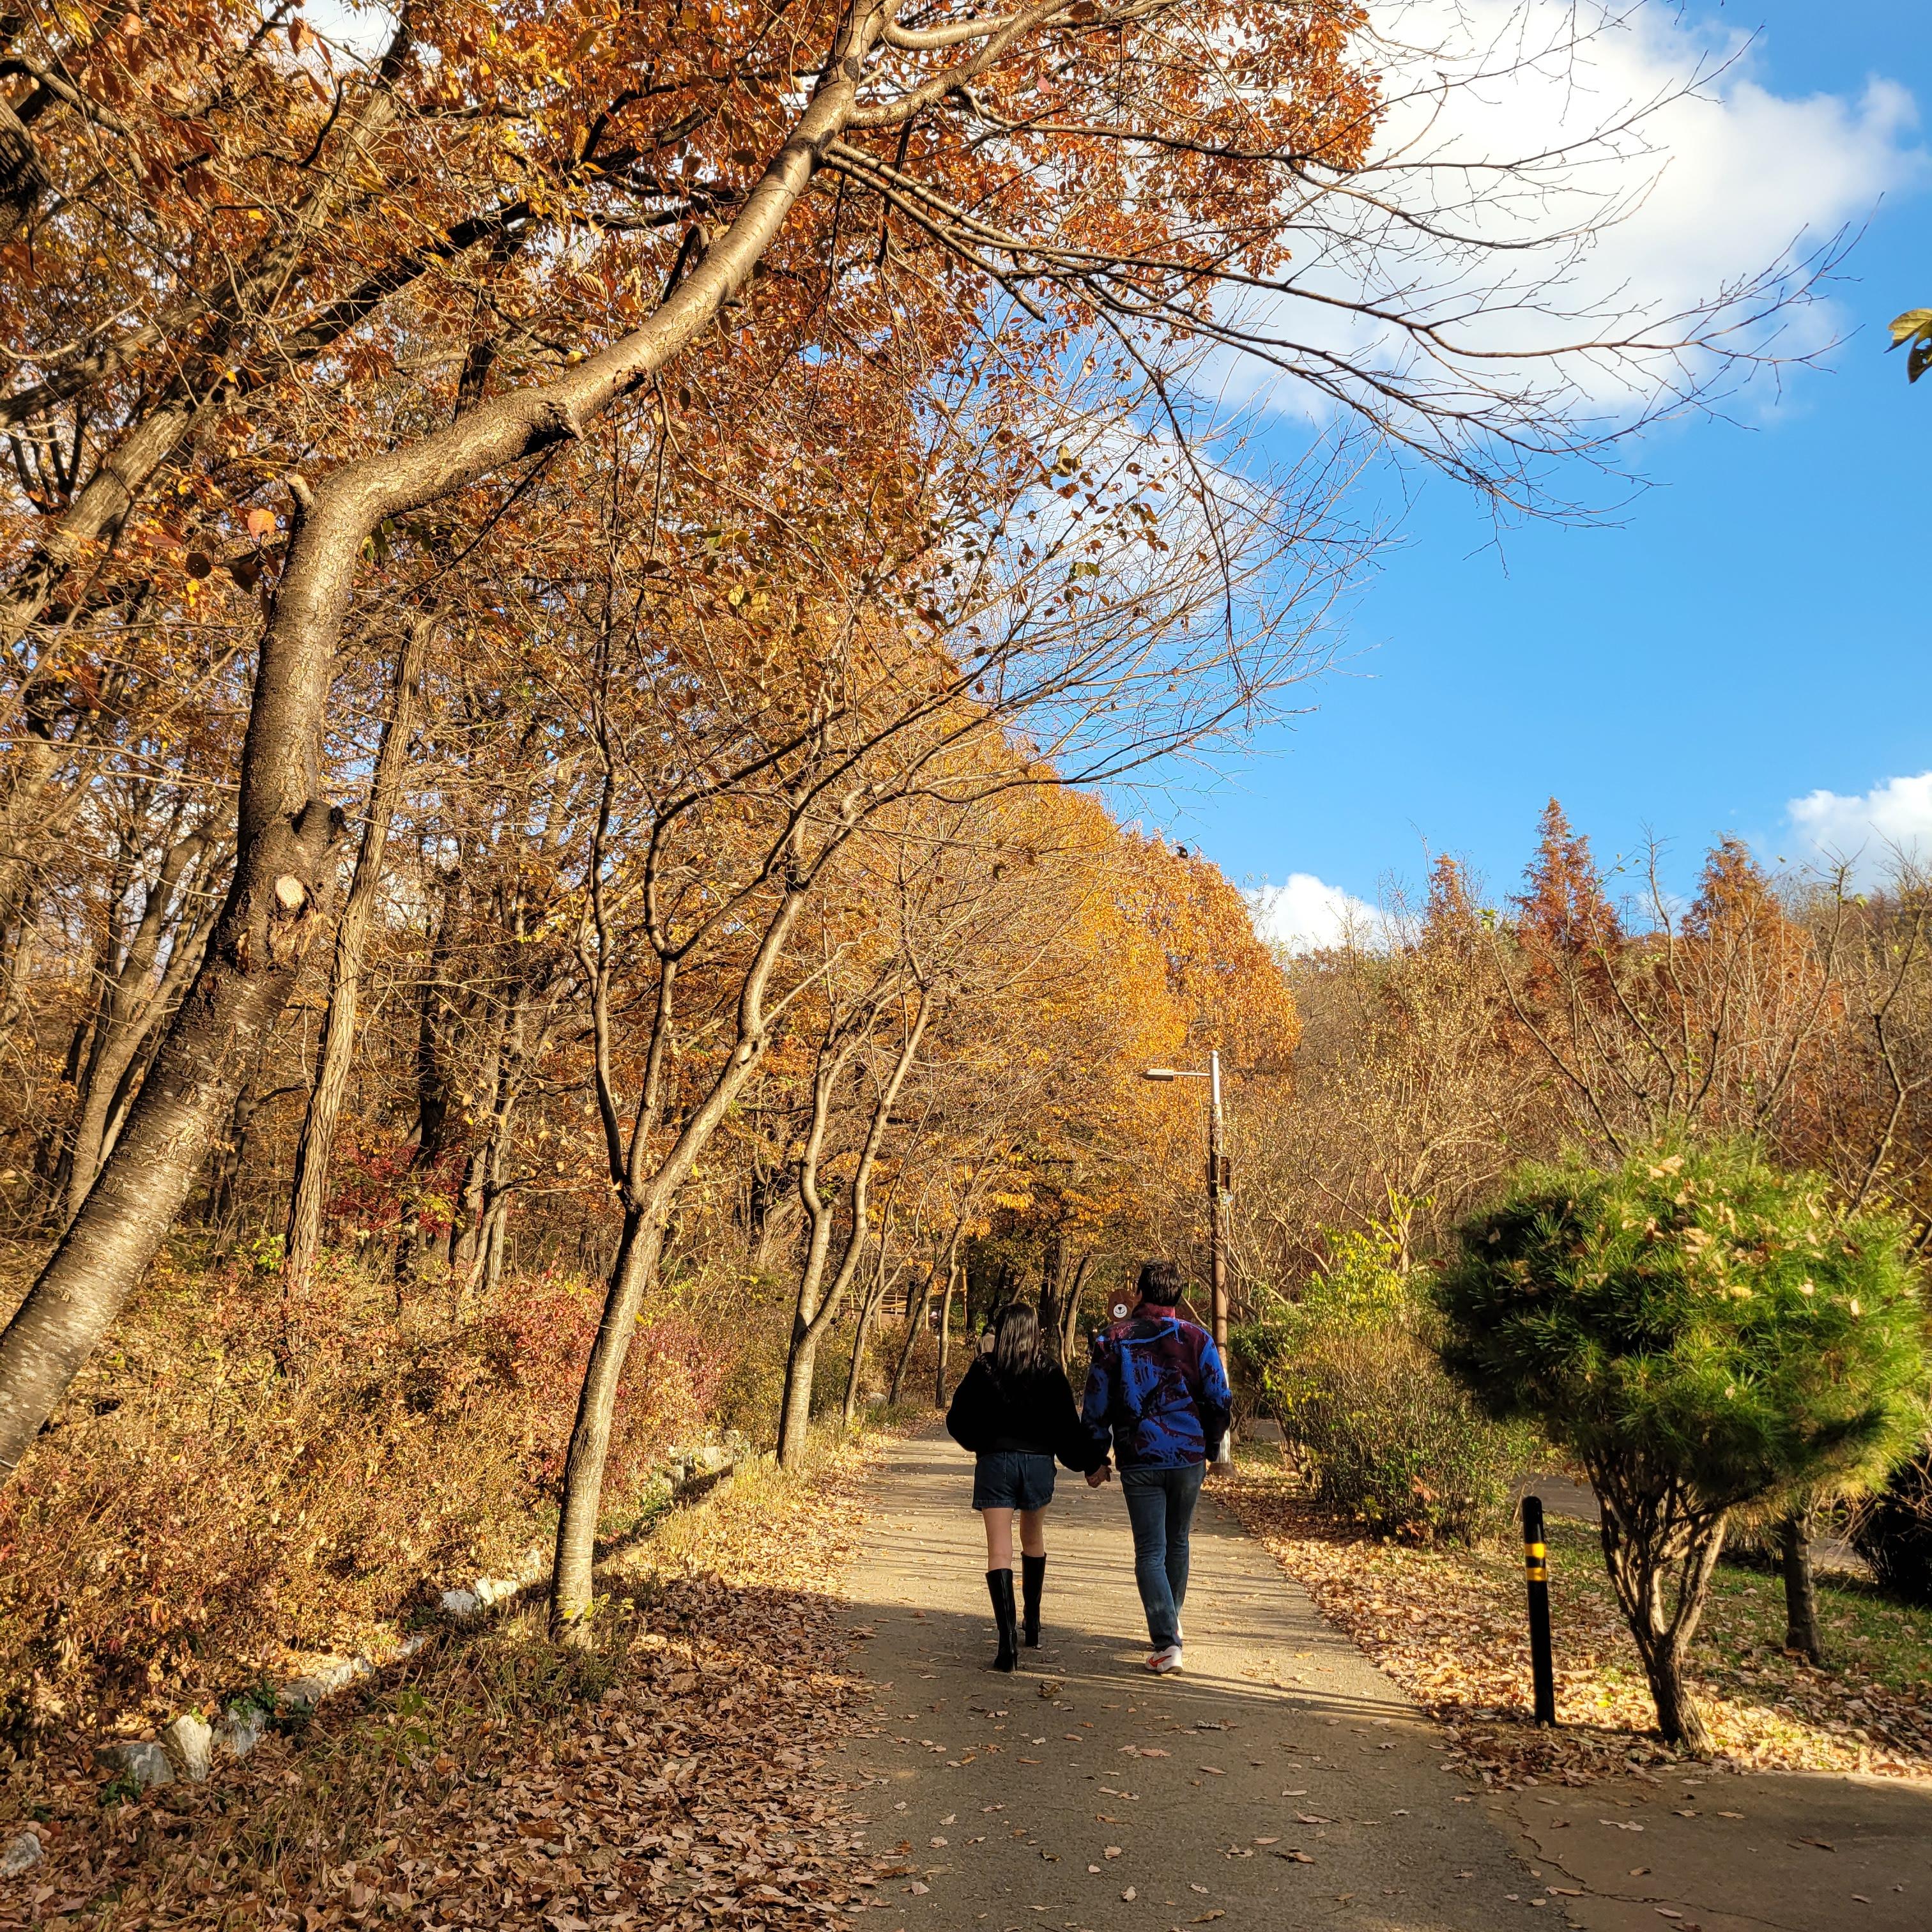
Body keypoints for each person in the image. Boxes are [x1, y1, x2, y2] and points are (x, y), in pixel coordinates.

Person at [1080, 1259, 1231, 1674]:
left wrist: (1096, 1456)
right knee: (1177, 1541)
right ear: (1178, 1295)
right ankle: (1170, 1624)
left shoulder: (1113, 1340)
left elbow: (1096, 1405)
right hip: (1188, 1456)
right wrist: (1211, 1445)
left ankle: (1167, 1641)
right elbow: (1219, 1399)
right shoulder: (1197, 1339)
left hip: (1140, 1456)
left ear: (1140, 1292)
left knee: (1150, 1549)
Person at [946, 1301, 1104, 1670]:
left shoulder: (984, 1368)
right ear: (1035, 1332)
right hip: (1037, 1465)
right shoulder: (1049, 1371)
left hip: (996, 1463)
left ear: (1000, 1331)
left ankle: (1007, 1646)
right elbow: (1067, 1428)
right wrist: (1091, 1462)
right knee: (1033, 1540)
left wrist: (981, 1443)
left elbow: (957, 1419)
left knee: (998, 1551)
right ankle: (1032, 1624)